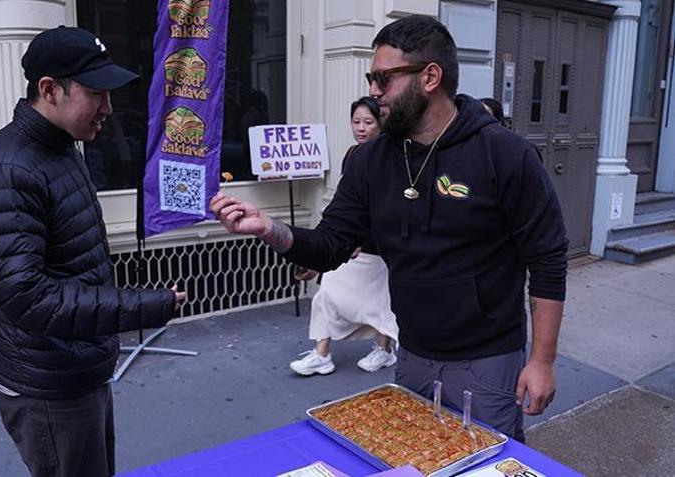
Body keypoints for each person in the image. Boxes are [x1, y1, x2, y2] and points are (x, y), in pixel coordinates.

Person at [211, 15, 568, 442]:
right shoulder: (369, 160)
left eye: (384, 78)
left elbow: (547, 258)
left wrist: (542, 360)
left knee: (486, 465)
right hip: (411, 351)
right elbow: (329, 245)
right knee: (415, 460)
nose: (374, 91)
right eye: (371, 77)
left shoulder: (505, 155)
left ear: (430, 76)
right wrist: (270, 228)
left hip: (488, 359)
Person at [0, 26, 186, 477]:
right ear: (49, 90)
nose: (107, 108)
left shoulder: (63, 148)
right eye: (95, 93)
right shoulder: (5, 170)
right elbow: (29, 297)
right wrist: (143, 305)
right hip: (49, 389)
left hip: (77, 370)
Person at [290, 96, 399, 376]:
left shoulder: (393, 157)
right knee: (326, 294)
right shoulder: (352, 154)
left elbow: (388, 208)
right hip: (351, 245)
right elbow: (345, 205)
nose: (361, 128)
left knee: (381, 304)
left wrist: (359, 240)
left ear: (381, 123)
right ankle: (321, 353)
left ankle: (383, 349)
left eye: (368, 122)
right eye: (356, 122)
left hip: (378, 248)